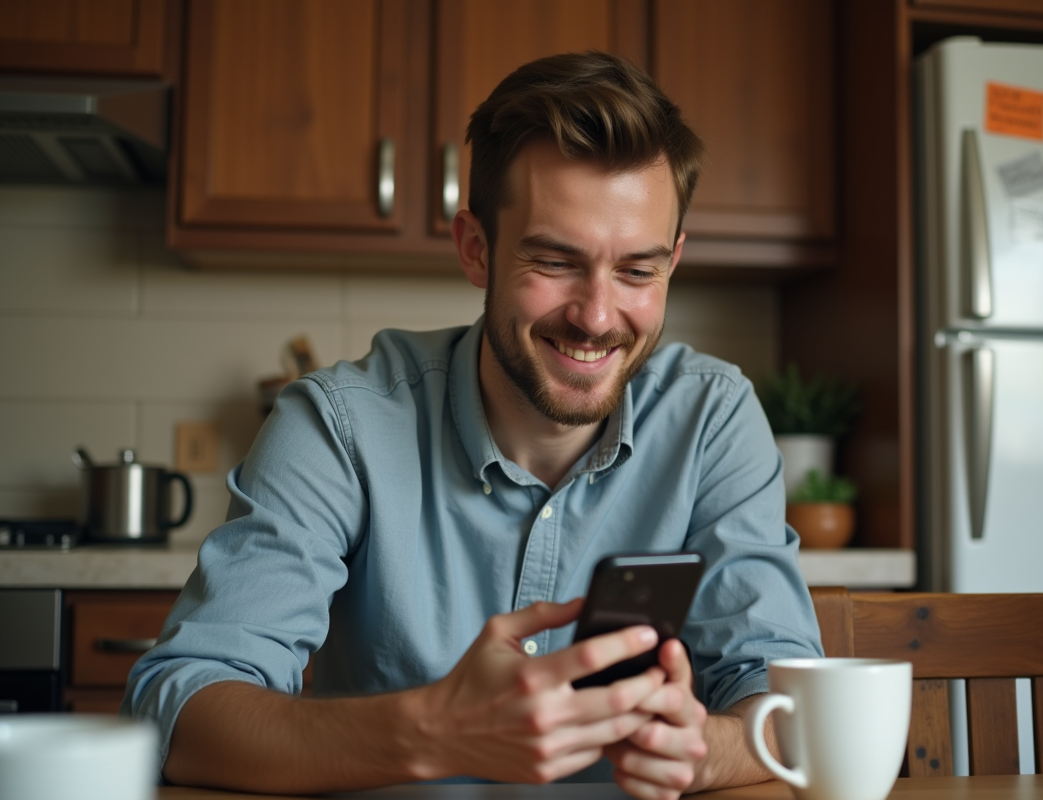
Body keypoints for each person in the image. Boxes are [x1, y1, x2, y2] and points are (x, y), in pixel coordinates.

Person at [123, 51, 823, 799]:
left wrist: (704, 752)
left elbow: (791, 702)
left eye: (637, 271)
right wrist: (435, 731)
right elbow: (180, 709)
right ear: (476, 249)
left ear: (672, 264)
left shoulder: (712, 418)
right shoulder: (340, 424)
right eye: (555, 261)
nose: (596, 316)